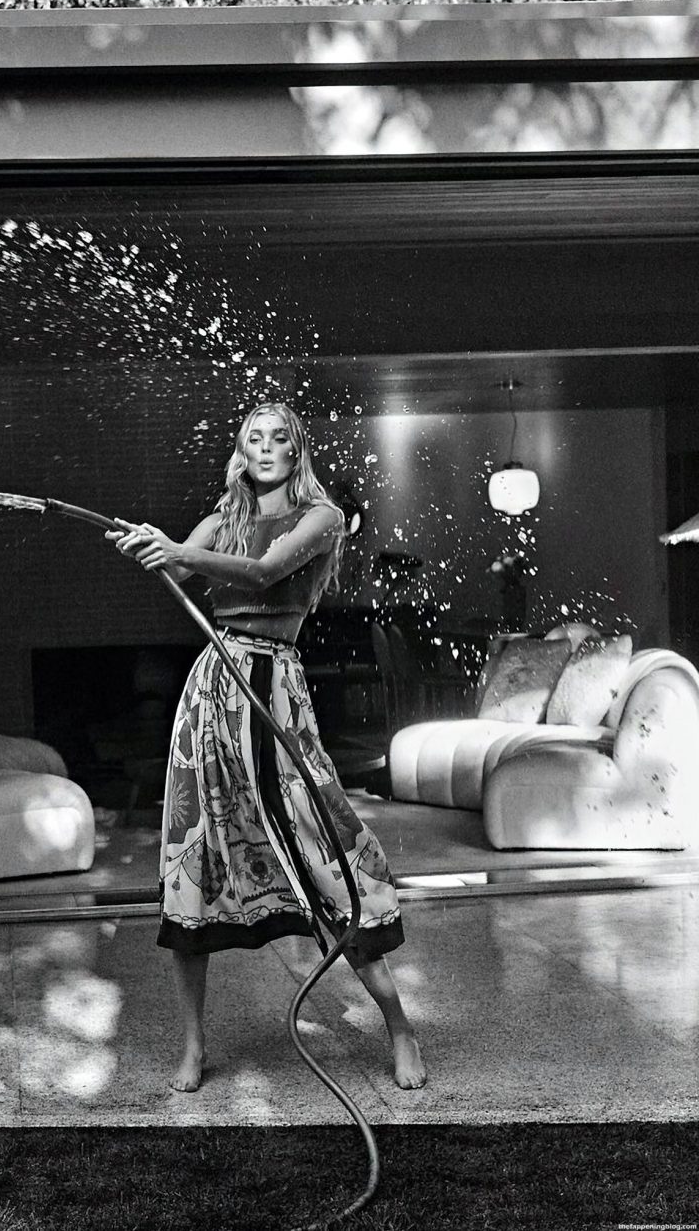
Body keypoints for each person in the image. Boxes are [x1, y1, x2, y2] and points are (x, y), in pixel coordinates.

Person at [106, 402, 426, 1094]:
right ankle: (193, 1047)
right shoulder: (223, 518)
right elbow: (177, 569)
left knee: (319, 838)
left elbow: (261, 572)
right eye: (255, 438)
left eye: (281, 437)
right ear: (242, 452)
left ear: (297, 450)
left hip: (274, 687)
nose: (267, 446)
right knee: (197, 850)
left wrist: (179, 551)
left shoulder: (322, 517)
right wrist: (146, 545)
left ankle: (400, 1027)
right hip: (213, 690)